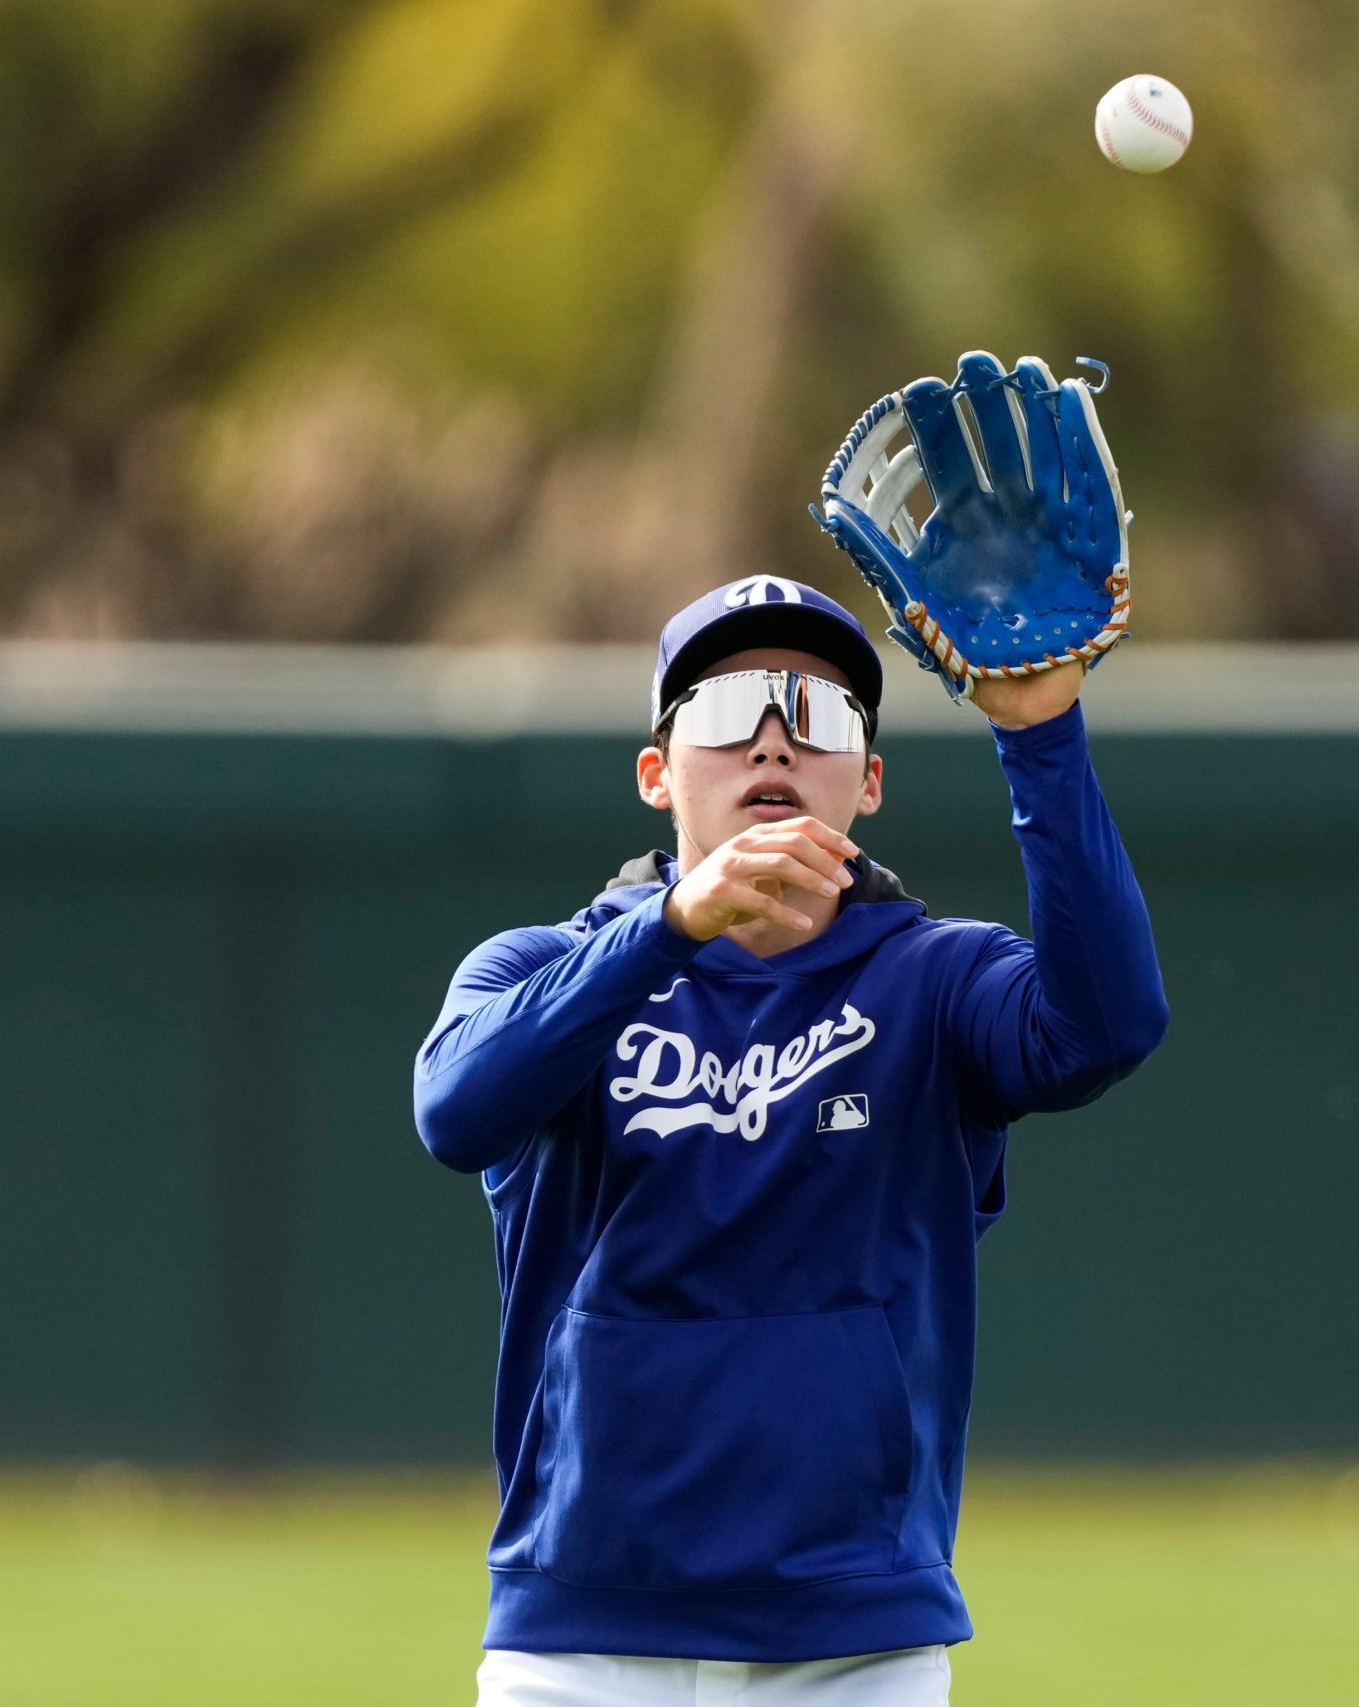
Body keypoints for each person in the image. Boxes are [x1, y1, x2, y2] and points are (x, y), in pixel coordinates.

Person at [413, 573, 1169, 1705]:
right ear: (657, 773)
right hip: (581, 1636)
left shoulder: (937, 978)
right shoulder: (536, 969)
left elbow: (1107, 1029)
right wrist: (668, 930)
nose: (771, 740)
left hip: (851, 1637)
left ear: (866, 782)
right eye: (725, 712)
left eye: (815, 716)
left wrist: (1042, 735)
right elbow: (456, 1113)